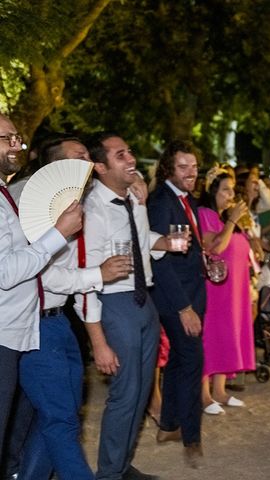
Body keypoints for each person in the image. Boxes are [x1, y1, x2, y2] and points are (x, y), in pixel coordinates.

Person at [6, 135, 119, 480]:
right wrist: (95, 275)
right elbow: (40, 274)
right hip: (32, 322)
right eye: (78, 157)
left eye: (88, 155)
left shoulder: (82, 200)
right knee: (59, 418)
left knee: (57, 416)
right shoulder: (28, 198)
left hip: (60, 321)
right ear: (54, 167)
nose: (87, 162)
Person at [80, 132, 179, 480]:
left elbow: (139, 240)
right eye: (120, 155)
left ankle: (121, 466)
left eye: (130, 151)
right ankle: (108, 473)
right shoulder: (92, 210)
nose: (131, 158)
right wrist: (98, 341)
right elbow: (87, 276)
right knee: (125, 393)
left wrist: (162, 241)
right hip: (114, 302)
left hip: (143, 300)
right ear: (100, 166)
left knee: (140, 393)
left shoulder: (134, 198)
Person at [0, 115, 82, 468]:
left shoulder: (5, 194)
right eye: (6, 138)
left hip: (18, 331)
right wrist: (58, 235)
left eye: (17, 137)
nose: (17, 145)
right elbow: (5, 272)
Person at [148, 140, 207, 469]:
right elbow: (160, 261)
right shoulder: (160, 202)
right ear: (169, 168)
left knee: (178, 363)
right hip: (175, 299)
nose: (192, 172)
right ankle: (192, 438)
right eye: (184, 166)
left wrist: (209, 264)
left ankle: (168, 426)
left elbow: (188, 250)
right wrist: (184, 308)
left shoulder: (189, 201)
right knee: (192, 361)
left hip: (194, 293)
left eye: (195, 166)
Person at [198, 166, 255, 414]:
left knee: (229, 334)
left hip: (235, 289)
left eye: (232, 190)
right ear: (212, 190)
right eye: (225, 190)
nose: (230, 194)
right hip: (215, 287)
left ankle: (220, 391)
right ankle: (203, 395)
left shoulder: (225, 218)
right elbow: (216, 247)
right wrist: (232, 220)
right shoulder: (205, 214)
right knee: (211, 336)